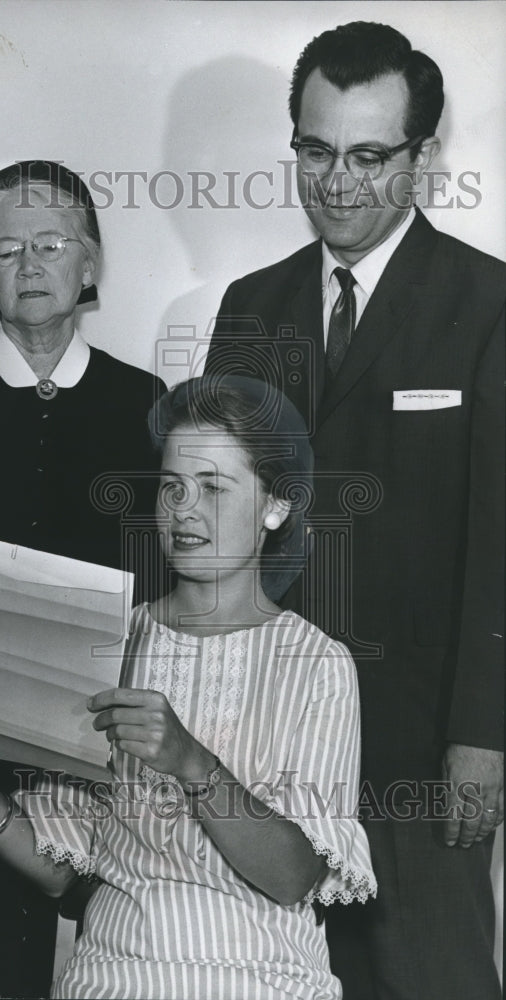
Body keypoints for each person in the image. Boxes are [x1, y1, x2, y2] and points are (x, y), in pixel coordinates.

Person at [0, 375, 377, 1000]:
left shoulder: (318, 664)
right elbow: (58, 872)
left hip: (264, 979)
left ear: (276, 506)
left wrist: (193, 763)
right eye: (173, 487)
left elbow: (293, 877)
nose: (184, 510)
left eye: (213, 488)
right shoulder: (110, 639)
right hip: (112, 977)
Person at [205, 21, 505, 1000]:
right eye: (314, 150)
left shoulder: (487, 302)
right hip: (267, 747)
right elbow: (215, 534)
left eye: (368, 156)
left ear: (420, 158)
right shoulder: (249, 309)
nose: (335, 182)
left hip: (421, 754)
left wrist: (483, 734)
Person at [0, 159, 166, 998]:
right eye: (4, 249)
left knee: (113, 950)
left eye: (51, 244)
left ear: (89, 264)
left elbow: (157, 580)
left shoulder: (142, 399)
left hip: (103, 738)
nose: (30, 264)